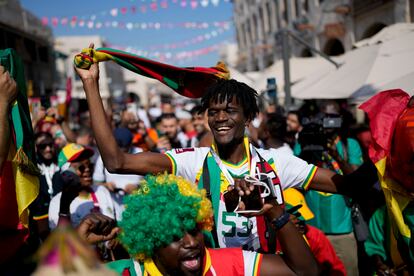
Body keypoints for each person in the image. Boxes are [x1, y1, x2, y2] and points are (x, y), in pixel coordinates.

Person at [74, 45, 377, 252]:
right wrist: (90, 83)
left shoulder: (278, 163)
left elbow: (351, 186)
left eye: (230, 111)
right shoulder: (193, 161)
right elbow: (116, 161)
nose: (220, 118)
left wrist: (382, 146)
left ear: (248, 118)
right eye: (214, 111)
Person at [78, 174, 318, 275]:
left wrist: (276, 213)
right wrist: (76, 245)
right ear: (150, 241)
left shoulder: (227, 264)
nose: (191, 242)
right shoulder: (128, 272)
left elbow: (304, 271)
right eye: (174, 236)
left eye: (194, 230)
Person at [48, 143, 118, 229]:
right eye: (81, 167)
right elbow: (60, 239)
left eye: (90, 166)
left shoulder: (102, 191)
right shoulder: (56, 203)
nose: (87, 169)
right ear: (66, 173)